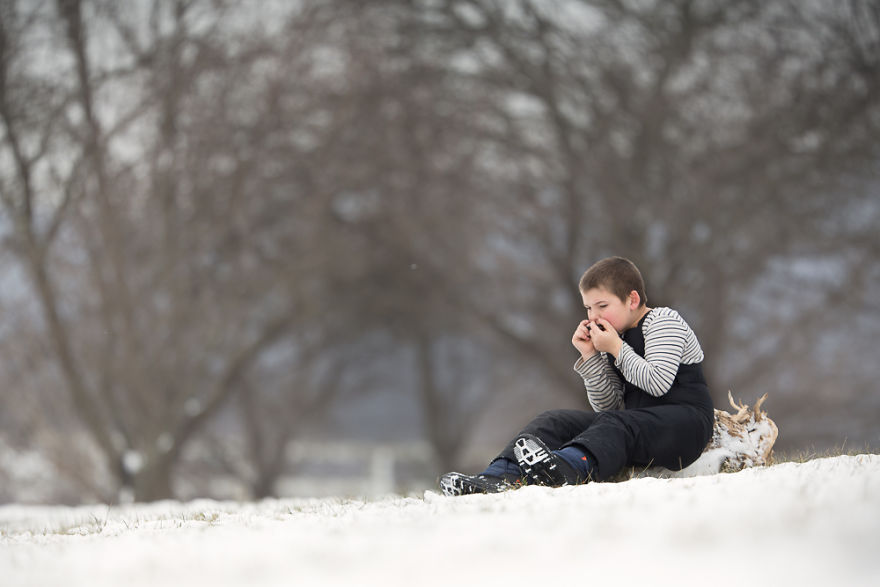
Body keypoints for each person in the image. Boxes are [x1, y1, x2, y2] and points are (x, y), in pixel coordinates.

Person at [439, 256, 715, 496]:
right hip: (640, 429)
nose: (593, 316)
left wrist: (616, 349)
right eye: (588, 308)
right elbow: (609, 407)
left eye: (602, 306)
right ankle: (497, 477)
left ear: (632, 299)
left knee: (617, 425)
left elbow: (657, 382)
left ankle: (565, 468)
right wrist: (591, 357)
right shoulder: (613, 338)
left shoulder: (663, 321)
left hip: (685, 425)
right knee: (553, 420)